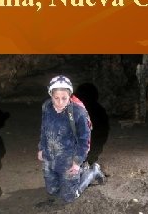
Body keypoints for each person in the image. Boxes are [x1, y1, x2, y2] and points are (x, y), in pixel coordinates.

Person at [38, 75, 105, 203]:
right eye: (56, 98)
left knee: (68, 197)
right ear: (50, 95)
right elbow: (44, 129)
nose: (60, 102)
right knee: (52, 191)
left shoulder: (78, 113)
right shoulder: (46, 107)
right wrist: (41, 148)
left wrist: (77, 162)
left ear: (70, 95)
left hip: (69, 159)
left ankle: (92, 172)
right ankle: (80, 172)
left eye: (64, 98)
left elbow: (84, 140)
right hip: (50, 157)